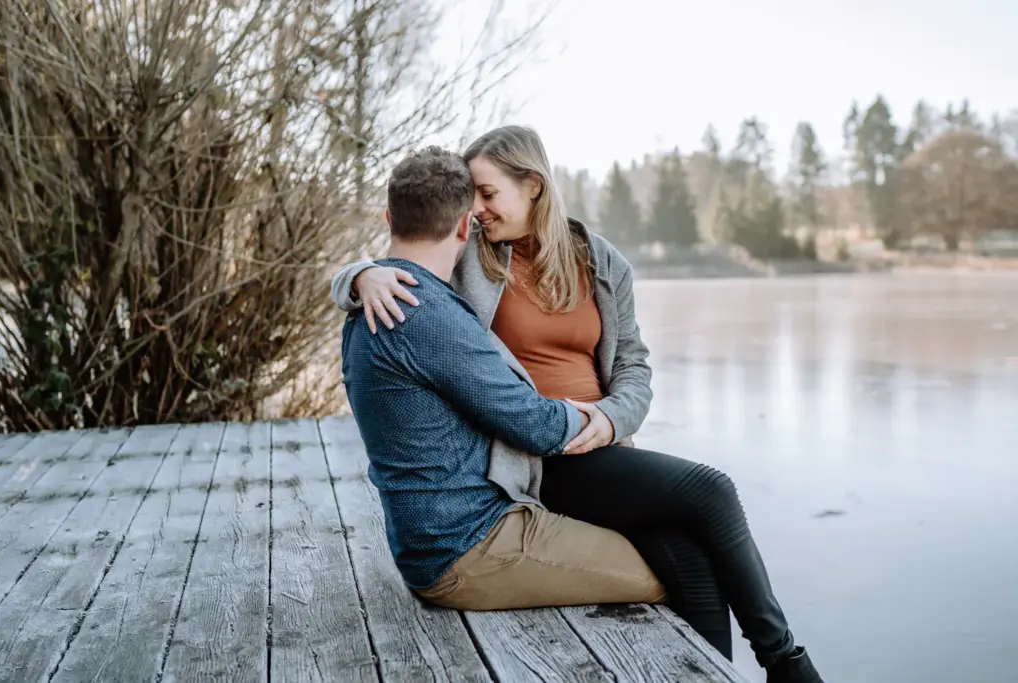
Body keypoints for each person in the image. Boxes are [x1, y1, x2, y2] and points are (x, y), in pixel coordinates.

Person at [335, 132, 825, 683]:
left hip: (603, 443)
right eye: (470, 197)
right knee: (710, 491)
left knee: (689, 550)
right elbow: (410, 263)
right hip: (537, 451)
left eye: (488, 192)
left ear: (534, 188)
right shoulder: (470, 254)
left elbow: (634, 365)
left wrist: (612, 420)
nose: (475, 207)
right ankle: (786, 662)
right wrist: (358, 275)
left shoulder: (600, 261)